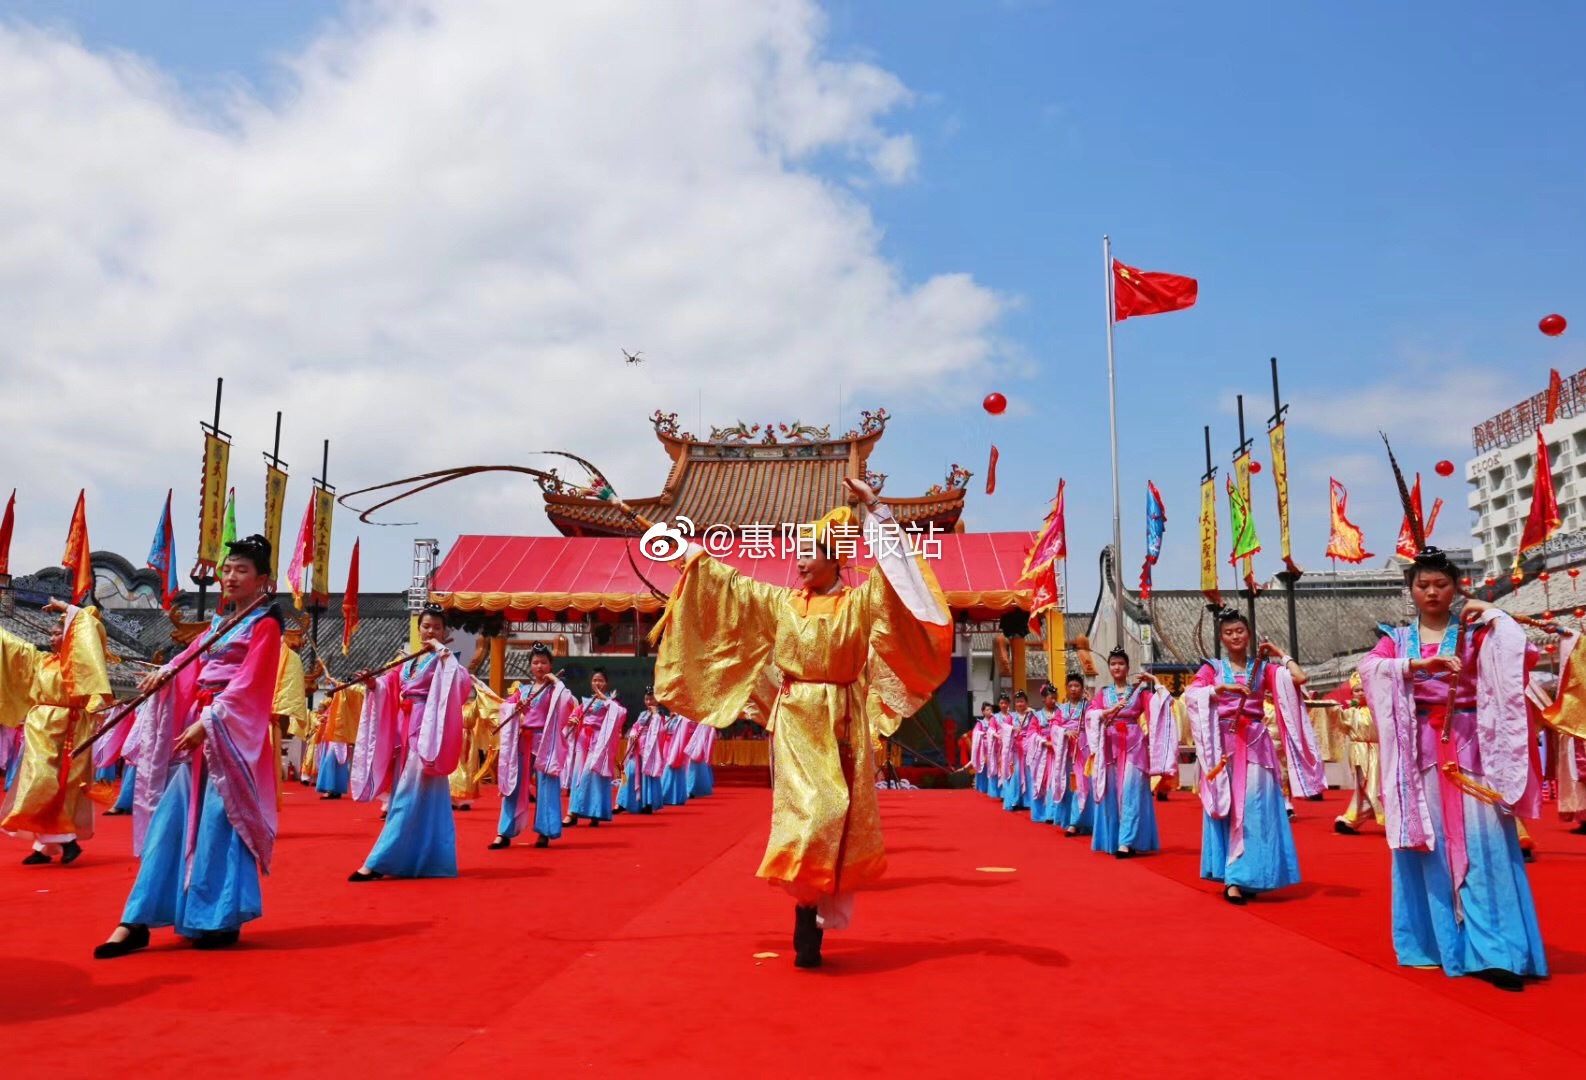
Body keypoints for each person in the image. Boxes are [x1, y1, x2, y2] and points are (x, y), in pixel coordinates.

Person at [652, 477, 952, 969]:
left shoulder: (860, 602)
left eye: (809, 553)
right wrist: (689, 555)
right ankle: (806, 907)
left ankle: (813, 905)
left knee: (837, 813)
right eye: (798, 554)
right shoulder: (783, 604)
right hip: (795, 717)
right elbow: (729, 586)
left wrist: (875, 507)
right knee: (817, 809)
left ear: (835, 557)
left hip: (842, 716)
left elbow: (899, 569)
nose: (800, 562)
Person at [1357, 547, 1546, 990]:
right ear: (1411, 591)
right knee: (1432, 846)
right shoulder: (1397, 640)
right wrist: (1415, 666)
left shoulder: (1476, 632)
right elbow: (1370, 670)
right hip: (1420, 752)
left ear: (1457, 587)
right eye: (1423, 585)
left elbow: (1526, 656)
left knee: (1484, 848)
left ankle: (1496, 952)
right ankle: (1440, 944)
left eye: (1441, 584)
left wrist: (1497, 615)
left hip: (1471, 747)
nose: (1432, 592)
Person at [95, 536, 284, 957]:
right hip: (198, 734)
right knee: (170, 824)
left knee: (220, 824)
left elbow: (252, 684)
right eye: (228, 569)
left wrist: (210, 720)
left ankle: (215, 917)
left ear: (263, 580)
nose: (231, 577)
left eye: (242, 570)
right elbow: (188, 664)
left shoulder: (266, 624)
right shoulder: (219, 625)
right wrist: (164, 675)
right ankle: (136, 919)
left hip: (229, 736)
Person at [1187, 608, 1322, 905]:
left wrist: (1278, 652)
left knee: (1253, 810)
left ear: (1249, 634)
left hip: (1256, 746)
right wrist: (1219, 688)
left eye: (1240, 631)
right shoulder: (1212, 669)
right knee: (1227, 806)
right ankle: (1232, 874)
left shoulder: (1264, 668)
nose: (1235, 636)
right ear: (1221, 638)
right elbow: (1191, 695)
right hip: (1223, 745)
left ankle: (1241, 877)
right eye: (1228, 632)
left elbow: (1300, 678)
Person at [348, 604, 469, 881]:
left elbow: (461, 683)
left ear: (445, 631)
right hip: (404, 728)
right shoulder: (408, 661)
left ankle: (378, 861)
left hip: (427, 731)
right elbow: (388, 685)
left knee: (405, 796)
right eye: (426, 626)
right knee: (419, 797)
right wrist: (371, 685)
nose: (431, 631)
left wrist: (443, 653)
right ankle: (425, 858)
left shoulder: (444, 659)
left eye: (437, 627)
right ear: (418, 629)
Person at [1, 598, 111, 865]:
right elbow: (11, 646)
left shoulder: (78, 665)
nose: (52, 638)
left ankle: (65, 841)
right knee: (38, 782)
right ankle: (46, 846)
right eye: (50, 633)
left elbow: (90, 626)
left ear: (71, 635)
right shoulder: (41, 661)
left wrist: (66, 608)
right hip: (41, 730)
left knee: (58, 784)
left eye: (57, 633)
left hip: (69, 729)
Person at [1086, 650, 1176, 857]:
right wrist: (1107, 712)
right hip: (1110, 745)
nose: (1116, 667)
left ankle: (1126, 841)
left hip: (1134, 746)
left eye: (1120, 664)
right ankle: (1113, 838)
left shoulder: (1140, 692)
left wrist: (1154, 680)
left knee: (1131, 792)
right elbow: (1091, 714)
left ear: (1127, 667)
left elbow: (1164, 705)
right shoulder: (1103, 694)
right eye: (1113, 664)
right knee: (1111, 791)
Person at [492, 643, 577, 849]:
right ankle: (504, 832)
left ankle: (544, 831)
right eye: (535, 662)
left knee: (546, 787)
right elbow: (504, 706)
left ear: (551, 665)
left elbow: (570, 702)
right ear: (530, 665)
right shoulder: (523, 690)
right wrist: (515, 706)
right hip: (523, 740)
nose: (539, 666)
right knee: (513, 784)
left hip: (544, 741)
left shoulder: (555, 690)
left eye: (544, 662)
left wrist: (556, 682)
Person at [564, 669, 624, 828]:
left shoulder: (612, 703)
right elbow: (572, 717)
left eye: (601, 680)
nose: (597, 683)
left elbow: (620, 715)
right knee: (577, 776)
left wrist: (605, 700)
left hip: (599, 742)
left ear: (607, 683)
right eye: (594, 680)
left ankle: (579, 812)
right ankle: (581, 812)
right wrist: (573, 720)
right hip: (583, 740)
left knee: (591, 774)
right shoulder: (585, 702)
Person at [1333, 672, 1383, 835]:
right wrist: (1339, 709)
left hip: (1376, 751)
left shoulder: (1378, 709)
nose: (1361, 693)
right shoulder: (1351, 712)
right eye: (1357, 690)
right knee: (1365, 786)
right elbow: (1340, 724)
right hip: (1358, 751)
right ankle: (1351, 820)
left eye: (1364, 689)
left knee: (1373, 787)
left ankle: (1351, 820)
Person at [1052, 674, 1092, 835]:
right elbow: (1054, 725)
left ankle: (1077, 821)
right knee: (1066, 782)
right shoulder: (1061, 709)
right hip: (1065, 749)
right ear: (1067, 689)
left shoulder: (1087, 706)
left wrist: (1092, 702)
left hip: (1083, 747)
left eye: (1077, 686)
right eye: (1071, 686)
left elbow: (1096, 720)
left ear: (1082, 688)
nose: (1074, 689)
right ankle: (1068, 818)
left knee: (1082, 784)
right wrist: (1064, 731)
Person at [616, 690, 666, 814]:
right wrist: (633, 735)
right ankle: (623, 802)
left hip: (649, 749)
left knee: (647, 775)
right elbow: (635, 727)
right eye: (646, 699)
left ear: (657, 700)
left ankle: (647, 803)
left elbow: (660, 732)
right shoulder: (642, 714)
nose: (649, 702)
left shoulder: (660, 715)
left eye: (651, 699)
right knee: (629, 773)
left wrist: (655, 716)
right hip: (638, 747)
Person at [970, 702, 996, 796]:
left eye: (991, 710)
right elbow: (976, 733)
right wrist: (983, 733)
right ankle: (982, 788)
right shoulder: (980, 723)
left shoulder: (995, 721)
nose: (989, 712)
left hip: (993, 746)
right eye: (987, 710)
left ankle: (992, 790)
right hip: (983, 748)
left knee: (993, 768)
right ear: (983, 712)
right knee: (983, 768)